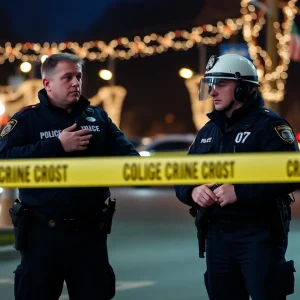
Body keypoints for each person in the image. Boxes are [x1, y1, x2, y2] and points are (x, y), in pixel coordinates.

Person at [0, 53, 139, 300]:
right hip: (42, 236)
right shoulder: (27, 119)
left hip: (89, 236)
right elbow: (4, 159)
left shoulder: (98, 118)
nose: (76, 83)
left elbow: (131, 160)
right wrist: (56, 145)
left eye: (78, 77)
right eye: (67, 77)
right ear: (47, 83)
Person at [174, 54, 299, 300]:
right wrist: (192, 191)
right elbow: (182, 176)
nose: (212, 92)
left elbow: (291, 174)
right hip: (217, 237)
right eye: (210, 85)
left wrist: (240, 190)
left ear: (243, 88)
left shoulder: (270, 126)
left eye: (220, 84)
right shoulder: (208, 131)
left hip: (259, 236)